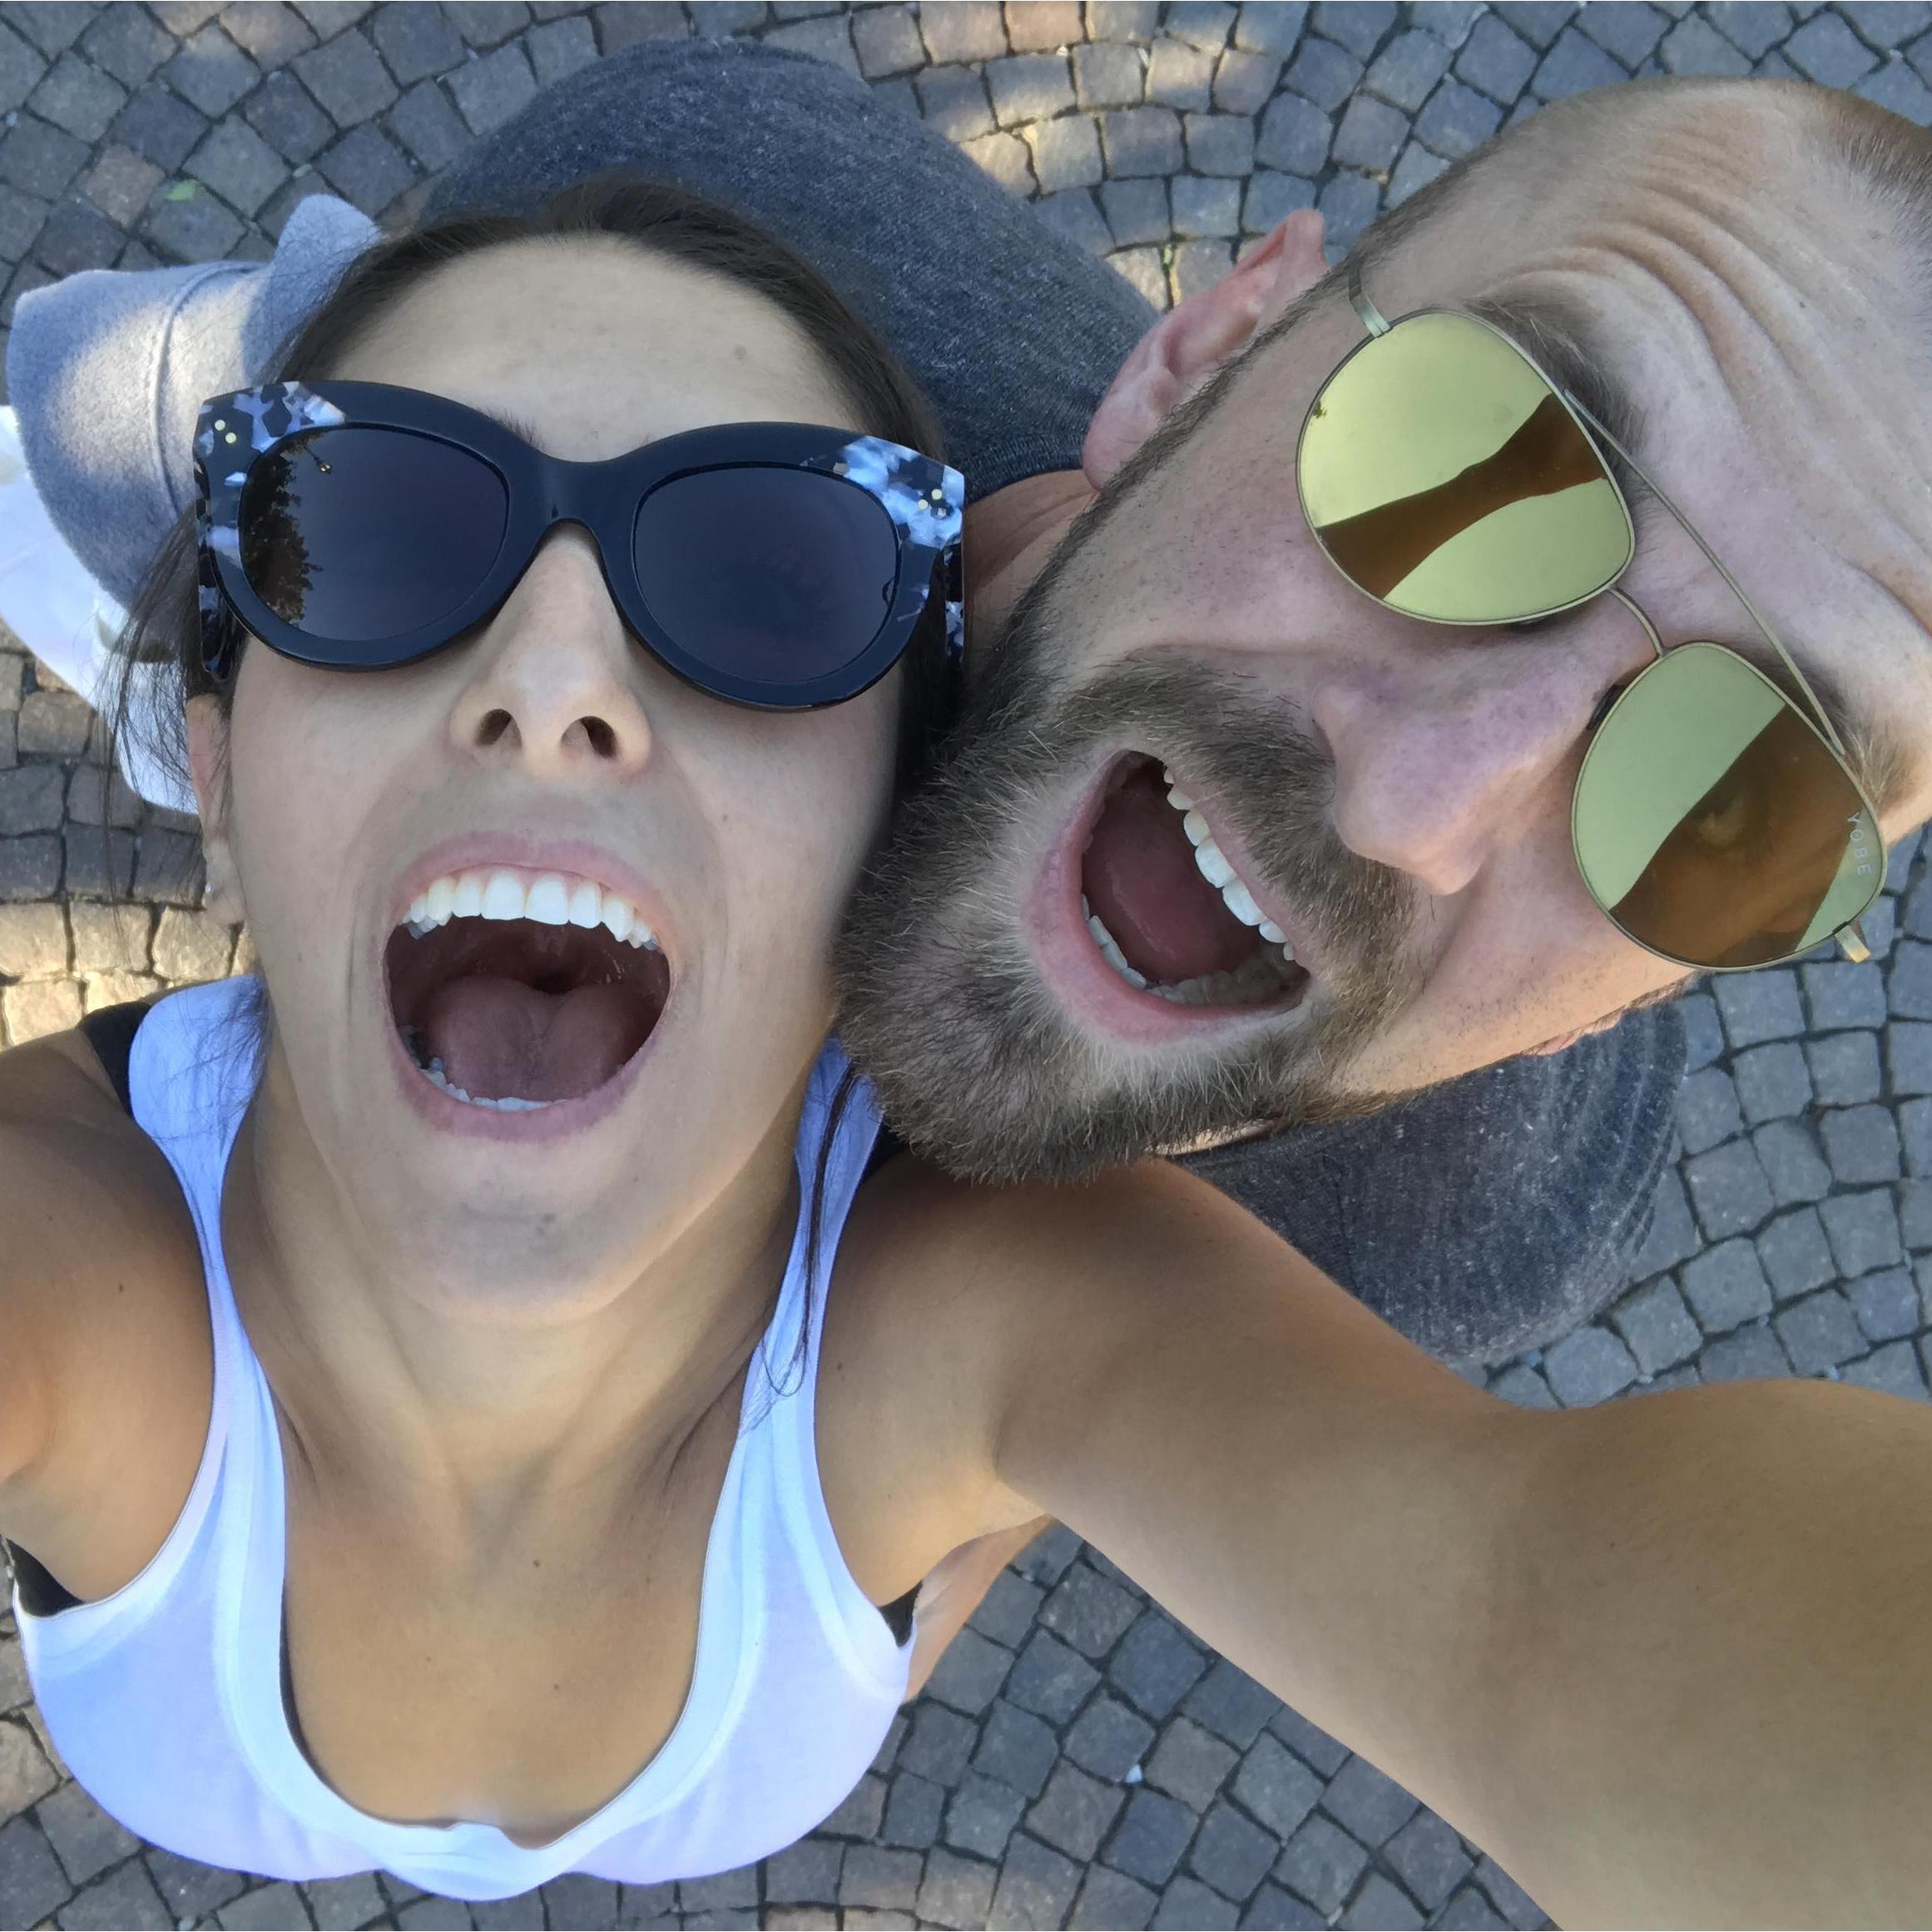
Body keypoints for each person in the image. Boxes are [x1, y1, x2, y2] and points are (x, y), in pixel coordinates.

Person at [7, 167, 1932, 1932]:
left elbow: (1529, 1609)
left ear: (876, 840)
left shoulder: (1014, 1307)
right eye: (376, 526)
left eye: (770, 583)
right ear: (218, 771)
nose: (556, 679)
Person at [6, 38, 1695, 1367]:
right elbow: (171, 404)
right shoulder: (706, 187)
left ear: (1606, 1000)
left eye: (1719, 801)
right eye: (1464, 486)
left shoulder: (1462, 1237)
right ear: (1214, 351)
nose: (1422, 795)